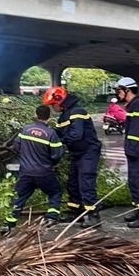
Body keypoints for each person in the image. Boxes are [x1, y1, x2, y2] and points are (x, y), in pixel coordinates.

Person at [42, 86, 102, 228]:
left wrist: (59, 142)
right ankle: (76, 212)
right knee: (73, 183)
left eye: (52, 105)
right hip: (78, 153)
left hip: (88, 152)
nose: (53, 108)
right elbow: (58, 132)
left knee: (86, 182)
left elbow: (76, 134)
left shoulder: (77, 112)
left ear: (59, 100)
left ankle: (93, 216)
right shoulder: (64, 116)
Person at [0, 105, 64, 234]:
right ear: (49, 117)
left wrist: (25, 156)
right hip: (44, 172)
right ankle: (51, 217)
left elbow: (16, 145)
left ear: (36, 115)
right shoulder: (51, 133)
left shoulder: (25, 129)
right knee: (55, 192)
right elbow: (57, 153)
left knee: (18, 197)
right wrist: (51, 163)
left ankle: (8, 224)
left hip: (26, 172)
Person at [114, 77, 139, 228]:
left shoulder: (137, 106)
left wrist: (131, 151)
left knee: (138, 182)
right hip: (135, 152)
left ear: (127, 90)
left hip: (138, 153)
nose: (118, 94)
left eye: (119, 91)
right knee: (133, 181)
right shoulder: (133, 105)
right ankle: (138, 209)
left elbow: (136, 133)